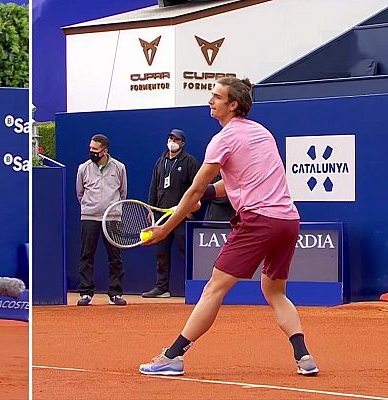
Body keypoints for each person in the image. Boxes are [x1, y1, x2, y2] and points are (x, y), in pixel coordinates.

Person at [138, 77, 318, 376]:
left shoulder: (223, 139)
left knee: (213, 289)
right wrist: (206, 195)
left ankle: (173, 356)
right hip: (288, 220)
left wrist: (165, 229)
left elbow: (195, 189)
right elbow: (232, 183)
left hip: (259, 221)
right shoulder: (262, 133)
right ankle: (304, 356)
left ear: (233, 105)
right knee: (274, 291)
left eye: (217, 97)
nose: (210, 100)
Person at [142, 129, 200, 298]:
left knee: (186, 251)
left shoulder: (190, 162)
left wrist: (189, 209)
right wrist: (150, 208)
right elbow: (154, 186)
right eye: (170, 138)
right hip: (162, 216)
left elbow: (196, 188)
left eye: (176, 139)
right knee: (161, 252)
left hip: (182, 215)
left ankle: (193, 287)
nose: (172, 141)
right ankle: (162, 288)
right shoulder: (161, 162)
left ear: (182, 143)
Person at [76, 134, 128, 306]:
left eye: (95, 149)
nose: (92, 152)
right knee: (86, 255)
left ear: (105, 151)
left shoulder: (119, 167)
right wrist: (90, 207)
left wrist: (112, 208)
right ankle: (85, 292)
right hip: (89, 217)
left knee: (115, 256)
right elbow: (80, 193)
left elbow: (122, 192)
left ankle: (115, 293)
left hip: (112, 218)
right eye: (90, 148)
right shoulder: (83, 168)